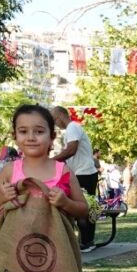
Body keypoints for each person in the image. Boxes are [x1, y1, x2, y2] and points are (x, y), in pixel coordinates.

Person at [0, 104, 89, 220]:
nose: (31, 137)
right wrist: (1, 197)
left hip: (55, 237)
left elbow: (84, 210)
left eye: (39, 132)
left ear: (52, 137)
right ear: (14, 136)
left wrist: (66, 203)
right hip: (17, 237)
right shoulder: (9, 170)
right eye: (23, 131)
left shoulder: (63, 171)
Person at [51, 106, 100, 252]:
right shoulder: (71, 130)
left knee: (83, 207)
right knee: (80, 207)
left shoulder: (72, 127)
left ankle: (87, 241)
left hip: (84, 173)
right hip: (80, 172)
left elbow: (71, 150)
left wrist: (51, 161)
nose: (56, 124)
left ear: (60, 116)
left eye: (54, 120)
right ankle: (85, 240)